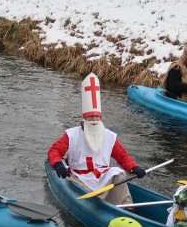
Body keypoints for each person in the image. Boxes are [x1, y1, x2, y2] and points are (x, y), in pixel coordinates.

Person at [47, 73, 146, 206]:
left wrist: (134, 168)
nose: (94, 120)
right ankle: (96, 205)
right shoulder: (71, 135)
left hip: (102, 176)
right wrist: (58, 164)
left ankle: (126, 207)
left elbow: (123, 157)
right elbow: (54, 151)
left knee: (117, 173)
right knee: (82, 186)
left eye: (96, 117)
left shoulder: (109, 136)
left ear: (100, 118)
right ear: (84, 118)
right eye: (90, 117)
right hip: (79, 177)